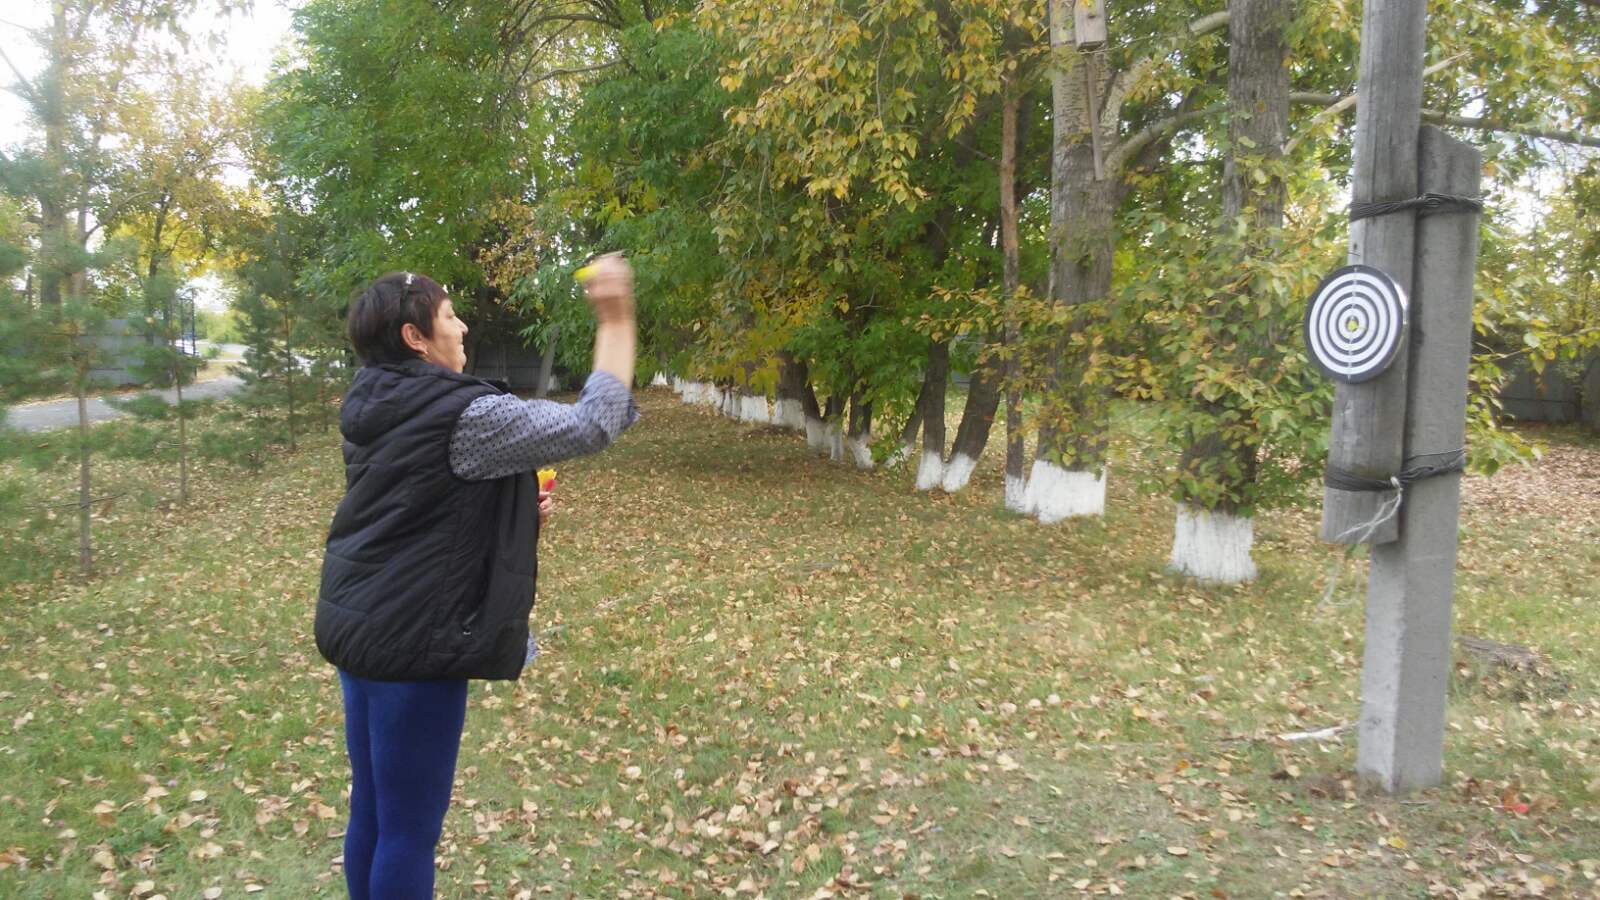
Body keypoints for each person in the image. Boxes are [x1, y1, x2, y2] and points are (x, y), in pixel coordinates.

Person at [314, 257, 637, 900]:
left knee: (374, 811)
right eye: (450, 316)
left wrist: (509, 512)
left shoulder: (371, 400)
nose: (462, 327)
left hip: (360, 626)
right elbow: (593, 423)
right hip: (412, 643)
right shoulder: (466, 414)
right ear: (415, 337)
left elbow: (422, 507)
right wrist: (617, 319)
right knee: (409, 831)